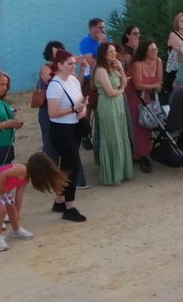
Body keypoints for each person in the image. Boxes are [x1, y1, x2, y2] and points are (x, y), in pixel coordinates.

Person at [0, 153, 70, 252]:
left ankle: (16, 229)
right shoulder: (22, 169)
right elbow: (3, 174)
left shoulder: (26, 178)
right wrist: (1, 189)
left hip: (2, 187)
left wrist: (17, 212)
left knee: (11, 207)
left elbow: (19, 196)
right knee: (2, 209)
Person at [44, 51, 88, 222]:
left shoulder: (73, 79)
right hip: (61, 130)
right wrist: (74, 109)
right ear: (59, 65)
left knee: (67, 166)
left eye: (73, 63)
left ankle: (59, 200)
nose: (73, 65)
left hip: (74, 127)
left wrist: (82, 108)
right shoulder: (55, 85)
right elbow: (53, 112)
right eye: (69, 63)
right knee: (73, 167)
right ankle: (69, 207)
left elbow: (78, 98)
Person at [93, 42, 134, 186]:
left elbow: (123, 82)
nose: (113, 53)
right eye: (110, 51)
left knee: (121, 134)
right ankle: (112, 174)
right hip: (108, 105)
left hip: (118, 104)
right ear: (103, 53)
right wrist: (121, 89)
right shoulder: (100, 70)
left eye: (114, 51)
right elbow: (110, 92)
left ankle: (123, 171)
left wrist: (121, 71)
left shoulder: (113, 66)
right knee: (112, 136)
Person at [128, 39, 162, 171]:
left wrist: (155, 87)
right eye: (152, 50)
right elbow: (137, 85)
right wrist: (154, 86)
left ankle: (146, 152)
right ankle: (138, 154)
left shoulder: (158, 62)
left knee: (146, 123)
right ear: (145, 52)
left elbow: (159, 82)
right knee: (137, 124)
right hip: (133, 95)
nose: (155, 52)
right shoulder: (137, 64)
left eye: (156, 49)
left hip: (146, 95)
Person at [35, 40, 65, 156]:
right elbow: (53, 81)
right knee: (49, 143)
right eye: (56, 52)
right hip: (47, 109)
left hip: (61, 109)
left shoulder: (65, 68)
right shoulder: (45, 68)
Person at [163, 12, 183, 92]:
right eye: (182, 21)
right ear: (177, 23)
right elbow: (180, 50)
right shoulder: (173, 34)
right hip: (177, 67)